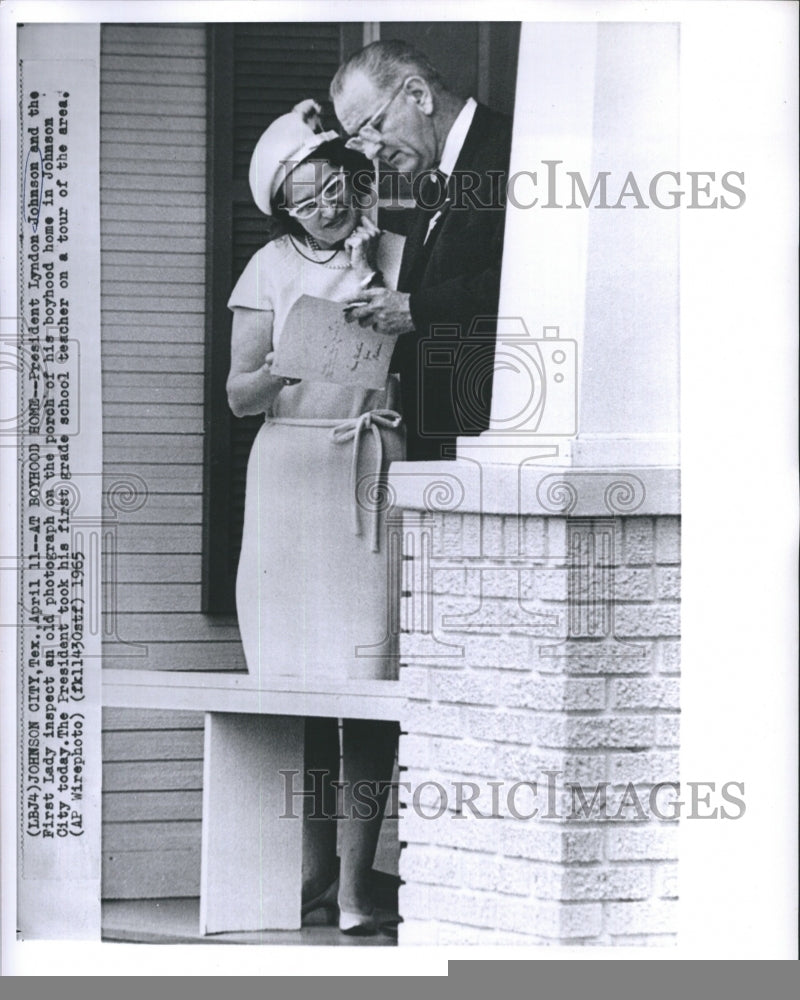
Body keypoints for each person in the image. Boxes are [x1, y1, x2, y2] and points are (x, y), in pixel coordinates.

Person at [225, 100, 403, 935]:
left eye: (336, 184)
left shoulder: (399, 253)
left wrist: (379, 280)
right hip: (291, 477)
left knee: (367, 683)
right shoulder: (266, 267)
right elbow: (237, 396)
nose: (328, 205)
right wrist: (287, 364)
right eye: (307, 197)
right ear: (284, 208)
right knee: (296, 682)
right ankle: (308, 879)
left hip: (369, 473)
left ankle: (360, 883)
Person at [331, 40, 513, 461]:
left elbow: (528, 285)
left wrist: (417, 309)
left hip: (487, 449)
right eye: (359, 140)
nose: (373, 151)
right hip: (441, 448)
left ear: (419, 95)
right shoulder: (435, 178)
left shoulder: (512, 151)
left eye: (372, 127)